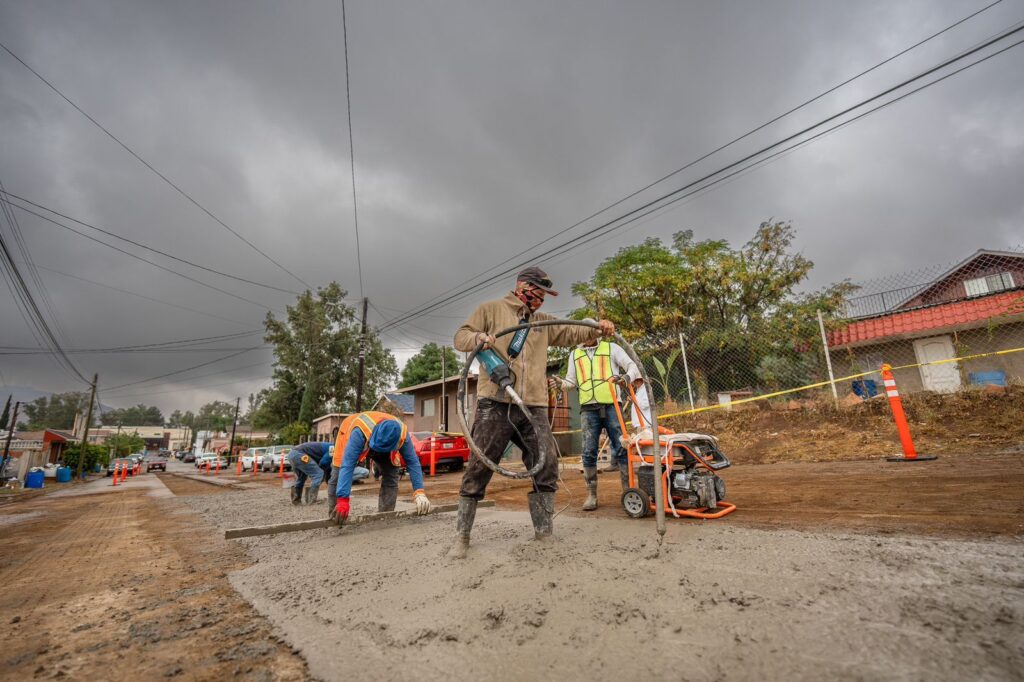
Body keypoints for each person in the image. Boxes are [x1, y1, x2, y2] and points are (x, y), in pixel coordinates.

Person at [451, 266, 615, 556]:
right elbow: (461, 336)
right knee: (480, 465)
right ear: (522, 287)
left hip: (534, 405)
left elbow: (572, 330)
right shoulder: (491, 310)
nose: (540, 299)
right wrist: (478, 339)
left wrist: (596, 327)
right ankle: (461, 537)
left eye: (544, 296)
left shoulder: (542, 322)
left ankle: (543, 533)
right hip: (496, 402)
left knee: (546, 463)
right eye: (537, 293)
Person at [555, 333, 639, 511]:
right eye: (584, 333)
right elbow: (571, 381)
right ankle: (591, 495)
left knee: (622, 447)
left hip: (612, 405)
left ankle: (628, 492)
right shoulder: (574, 354)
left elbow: (632, 366)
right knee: (588, 451)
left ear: (596, 333)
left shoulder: (611, 348)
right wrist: (561, 383)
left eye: (591, 332)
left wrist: (626, 378)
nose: (587, 337)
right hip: (588, 408)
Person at [331, 411, 431, 524]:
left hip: (382, 443)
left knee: (392, 474)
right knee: (337, 474)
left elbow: (413, 462)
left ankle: (385, 517)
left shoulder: (402, 434)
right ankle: (335, 518)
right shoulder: (360, 432)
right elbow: (347, 465)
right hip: (349, 432)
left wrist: (419, 492)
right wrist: (343, 499)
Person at [287, 441, 331, 505]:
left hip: (292, 454)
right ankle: (311, 500)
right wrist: (320, 474)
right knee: (318, 474)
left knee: (301, 477)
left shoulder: (329, 447)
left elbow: (328, 469)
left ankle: (296, 500)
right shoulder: (333, 448)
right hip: (300, 455)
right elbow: (324, 463)